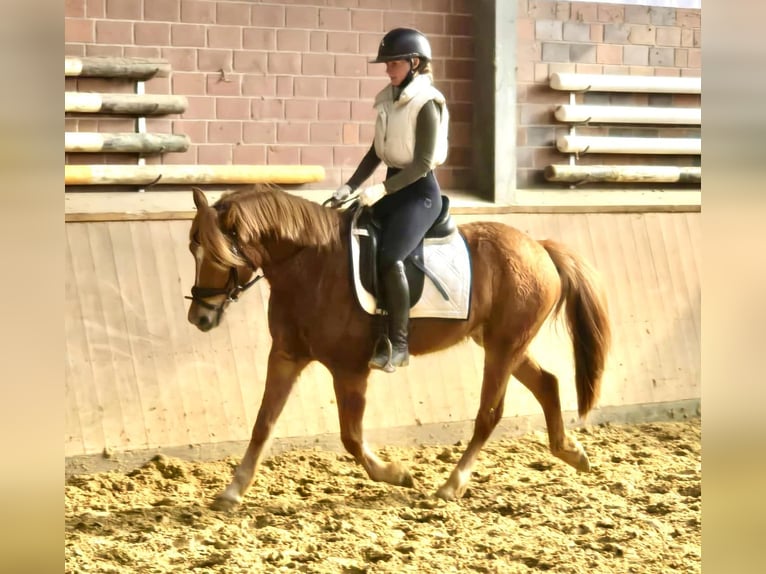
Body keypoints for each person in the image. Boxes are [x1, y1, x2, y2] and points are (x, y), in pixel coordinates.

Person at [331, 27, 450, 373]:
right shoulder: (388, 99)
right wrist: (350, 186)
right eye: (387, 64)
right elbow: (375, 152)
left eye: (393, 63)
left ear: (414, 63)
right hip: (392, 188)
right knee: (350, 230)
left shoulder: (427, 102)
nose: (388, 69)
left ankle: (399, 344)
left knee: (391, 256)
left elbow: (423, 162)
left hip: (419, 194)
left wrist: (382, 190)